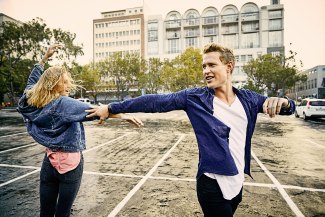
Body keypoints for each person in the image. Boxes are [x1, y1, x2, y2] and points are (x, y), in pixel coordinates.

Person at [86, 43, 295, 217]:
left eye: (212, 65)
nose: (206, 71)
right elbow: (154, 102)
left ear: (229, 67)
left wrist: (284, 102)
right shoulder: (195, 99)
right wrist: (111, 107)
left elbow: (288, 108)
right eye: (204, 66)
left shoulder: (249, 99)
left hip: (238, 182)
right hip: (211, 185)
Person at [17, 44, 143, 217]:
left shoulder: (30, 99)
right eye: (65, 82)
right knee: (63, 213)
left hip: (49, 162)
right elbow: (95, 110)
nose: (69, 85)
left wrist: (45, 58)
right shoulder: (62, 104)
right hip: (71, 164)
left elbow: (33, 79)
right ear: (54, 85)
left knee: (45, 212)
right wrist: (122, 116)